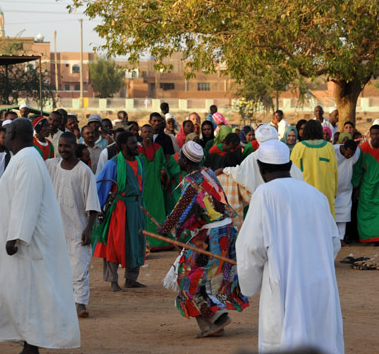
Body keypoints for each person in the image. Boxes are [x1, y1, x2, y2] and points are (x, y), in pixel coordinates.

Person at [0, 118, 80, 353]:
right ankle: (29, 342)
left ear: (14, 133)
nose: (3, 135)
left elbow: (26, 199)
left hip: (27, 246)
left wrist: (16, 236)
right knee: (23, 294)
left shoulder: (28, 159)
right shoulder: (24, 158)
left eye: (6, 131)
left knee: (31, 295)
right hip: (25, 245)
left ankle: (32, 345)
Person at [236, 140, 343, 354]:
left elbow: (250, 247)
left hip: (282, 284)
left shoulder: (264, 194)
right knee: (320, 340)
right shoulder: (316, 195)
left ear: (261, 168)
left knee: (283, 340)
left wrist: (248, 285)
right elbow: (334, 242)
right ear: (289, 165)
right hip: (319, 285)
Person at [158, 141, 249, 338]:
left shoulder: (192, 183)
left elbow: (182, 212)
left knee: (187, 280)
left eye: (180, 156)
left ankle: (217, 317)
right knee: (212, 279)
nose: (178, 159)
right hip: (225, 231)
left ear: (184, 160)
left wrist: (165, 229)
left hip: (211, 237)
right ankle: (213, 322)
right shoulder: (208, 173)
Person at [46, 133, 100, 318]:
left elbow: (93, 205)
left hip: (78, 229)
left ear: (74, 147)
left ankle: (80, 304)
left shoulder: (84, 171)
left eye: (66, 146)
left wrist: (89, 229)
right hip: (56, 229)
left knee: (78, 269)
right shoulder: (52, 166)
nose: (62, 149)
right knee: (57, 269)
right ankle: (62, 303)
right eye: (60, 146)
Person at [94, 131, 147, 292]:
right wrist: (98, 211)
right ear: (123, 146)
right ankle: (113, 280)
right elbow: (101, 188)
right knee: (115, 245)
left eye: (136, 143)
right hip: (119, 209)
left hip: (136, 208)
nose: (136, 146)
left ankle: (131, 279)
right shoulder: (113, 164)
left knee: (137, 243)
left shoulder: (139, 161)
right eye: (132, 143)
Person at [352, 125, 379, 244]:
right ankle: (369, 238)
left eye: (378, 134)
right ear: (369, 135)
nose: (375, 136)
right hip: (367, 188)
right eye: (373, 134)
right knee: (366, 213)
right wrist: (356, 188)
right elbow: (358, 171)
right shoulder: (363, 149)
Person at [290, 120, 338, 218]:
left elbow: (292, 174)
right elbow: (335, 172)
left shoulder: (298, 148)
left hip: (303, 196)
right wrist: (334, 193)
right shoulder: (329, 147)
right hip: (325, 195)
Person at [137, 124, 169, 250]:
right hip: (144, 188)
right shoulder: (138, 150)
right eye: (144, 132)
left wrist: (163, 171)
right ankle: (147, 242)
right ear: (141, 134)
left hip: (156, 187)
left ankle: (160, 243)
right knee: (145, 213)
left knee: (158, 212)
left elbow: (163, 164)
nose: (147, 134)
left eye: (149, 132)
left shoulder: (159, 148)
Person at [334, 139, 360, 244]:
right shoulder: (332, 150)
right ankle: (333, 238)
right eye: (348, 154)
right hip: (332, 189)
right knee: (332, 214)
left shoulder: (356, 153)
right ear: (343, 148)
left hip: (345, 189)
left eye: (351, 155)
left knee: (344, 214)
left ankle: (341, 238)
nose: (349, 156)